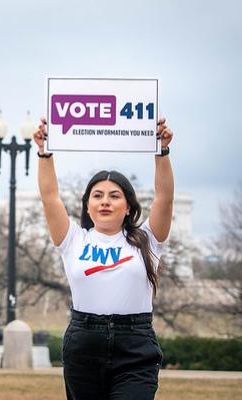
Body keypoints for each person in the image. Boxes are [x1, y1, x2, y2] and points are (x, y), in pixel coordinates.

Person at [34, 116, 174, 399]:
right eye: (97, 195)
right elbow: (50, 197)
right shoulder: (73, 239)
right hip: (83, 344)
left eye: (114, 196)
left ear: (128, 206)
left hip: (135, 344)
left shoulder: (147, 239)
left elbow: (164, 198)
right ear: (88, 205)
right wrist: (44, 153)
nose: (105, 201)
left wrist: (162, 152)